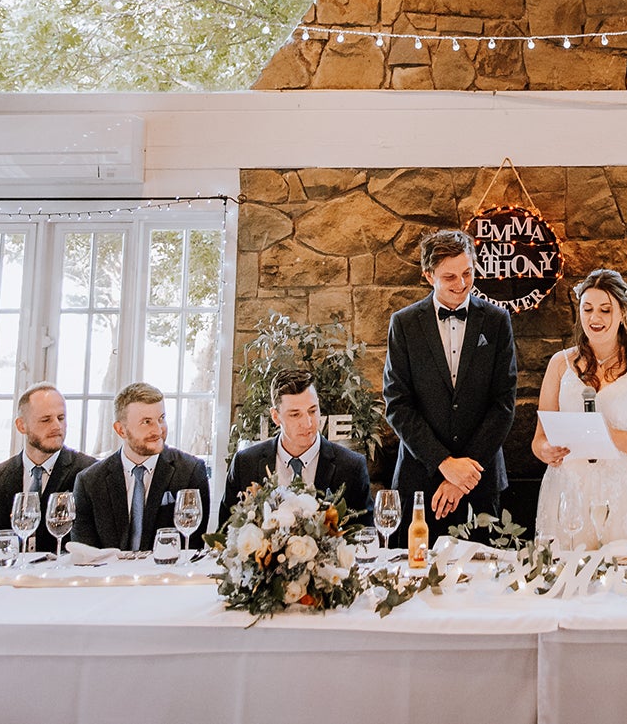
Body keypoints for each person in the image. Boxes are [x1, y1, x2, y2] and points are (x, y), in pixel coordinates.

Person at [383, 228, 518, 532]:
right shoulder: (404, 324)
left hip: (480, 481)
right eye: (449, 277)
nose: (461, 284)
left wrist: (462, 477)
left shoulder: (497, 321)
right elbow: (397, 404)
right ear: (429, 275)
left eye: (467, 273)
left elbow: (504, 404)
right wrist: (444, 463)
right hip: (420, 480)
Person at [531, 269, 627, 549]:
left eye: (605, 310)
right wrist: (545, 451)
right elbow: (539, 439)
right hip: (570, 490)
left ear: (622, 312)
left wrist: (607, 435)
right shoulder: (560, 364)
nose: (594, 318)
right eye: (587, 309)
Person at [71, 382, 213, 552]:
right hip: (107, 575)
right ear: (121, 430)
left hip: (166, 574)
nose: (158, 430)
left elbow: (191, 547)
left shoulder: (190, 472)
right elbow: (85, 553)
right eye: (147, 422)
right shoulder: (89, 481)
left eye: (161, 418)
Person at [223, 367, 371, 522]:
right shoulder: (245, 464)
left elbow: (367, 536)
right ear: (275, 416)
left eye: (312, 411)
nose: (307, 423)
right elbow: (225, 535)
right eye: (295, 414)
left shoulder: (352, 467)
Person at [0, 383, 96, 553]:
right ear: (22, 425)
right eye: (46, 420)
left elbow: (93, 550)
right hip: (8, 577)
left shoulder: (89, 473)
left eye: (61, 418)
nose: (57, 426)